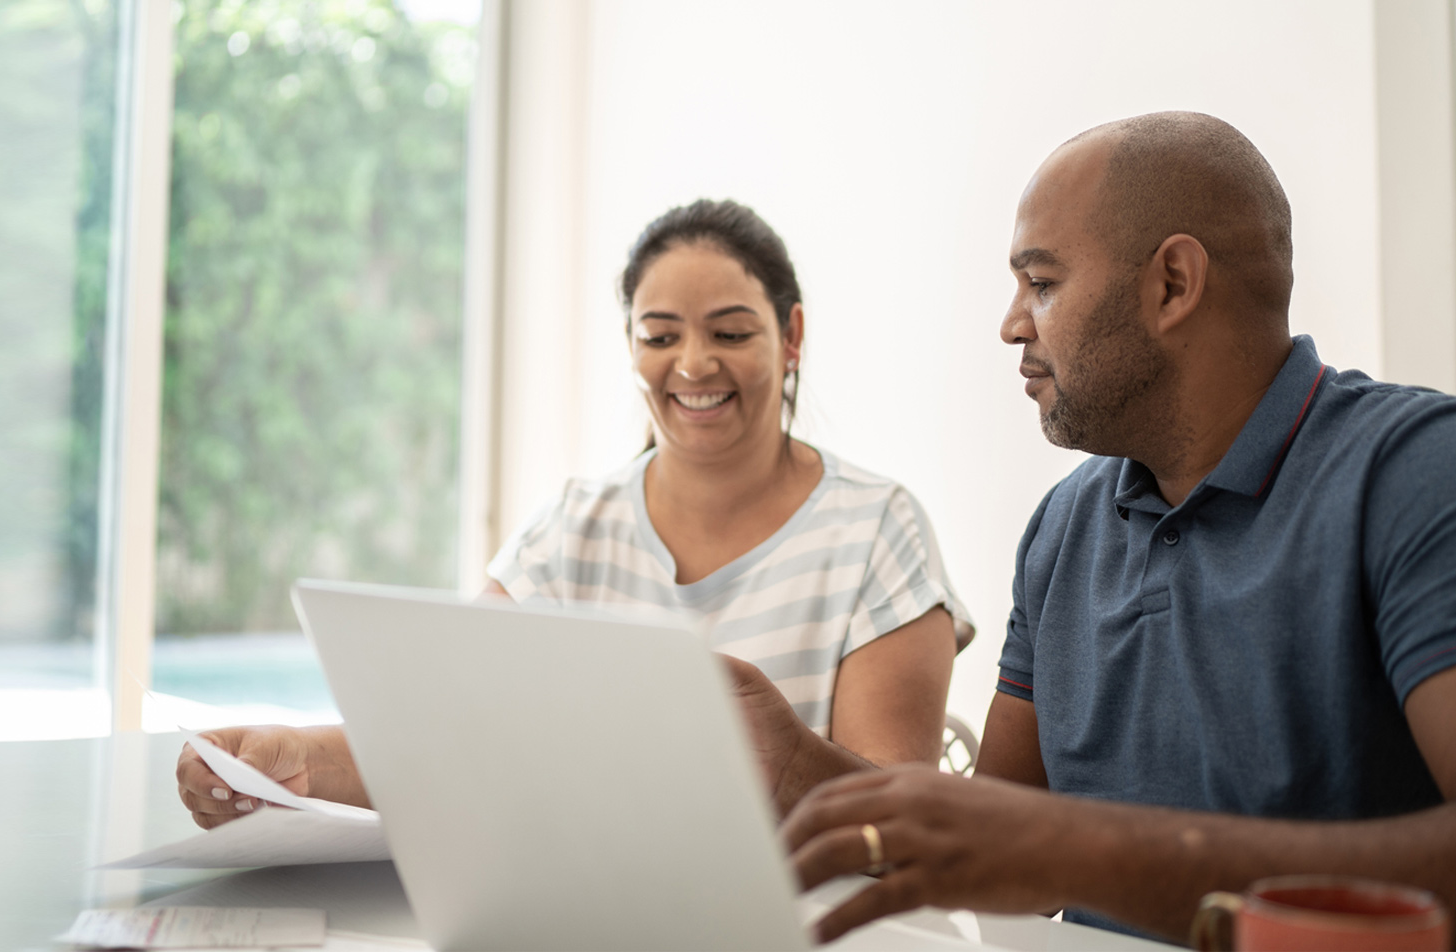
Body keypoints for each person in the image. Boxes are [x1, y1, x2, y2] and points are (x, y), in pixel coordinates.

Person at [776, 112, 1456, 949]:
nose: (1012, 324)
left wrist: (1090, 850)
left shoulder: (1427, 472)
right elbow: (1002, 853)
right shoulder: (1065, 526)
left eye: (1041, 282)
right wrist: (793, 769)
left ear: (1173, 284)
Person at [177, 199, 974, 827]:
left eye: (730, 332)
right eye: (659, 336)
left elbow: (904, 818)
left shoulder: (876, 528)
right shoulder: (573, 529)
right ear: (631, 347)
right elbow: (445, 729)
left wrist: (791, 760)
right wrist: (287, 762)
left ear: (790, 335)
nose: (694, 364)